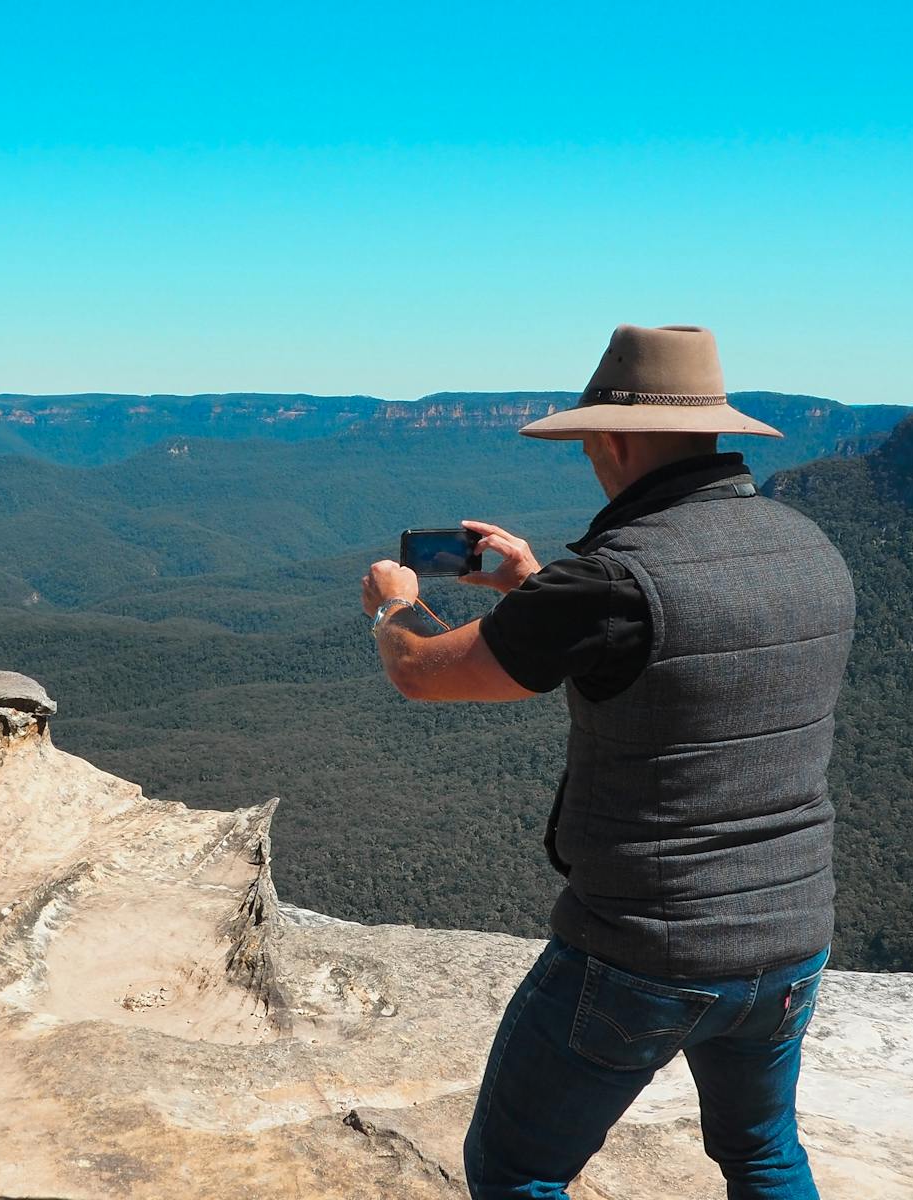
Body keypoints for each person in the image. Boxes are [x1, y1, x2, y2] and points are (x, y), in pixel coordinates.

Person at [360, 325, 855, 1200]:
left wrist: (396, 609)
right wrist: (531, 585)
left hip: (643, 950)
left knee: (519, 1172)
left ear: (617, 438)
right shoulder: (806, 547)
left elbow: (426, 675)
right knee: (763, 1152)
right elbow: (673, 647)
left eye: (589, 438)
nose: (589, 453)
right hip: (790, 938)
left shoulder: (613, 578)